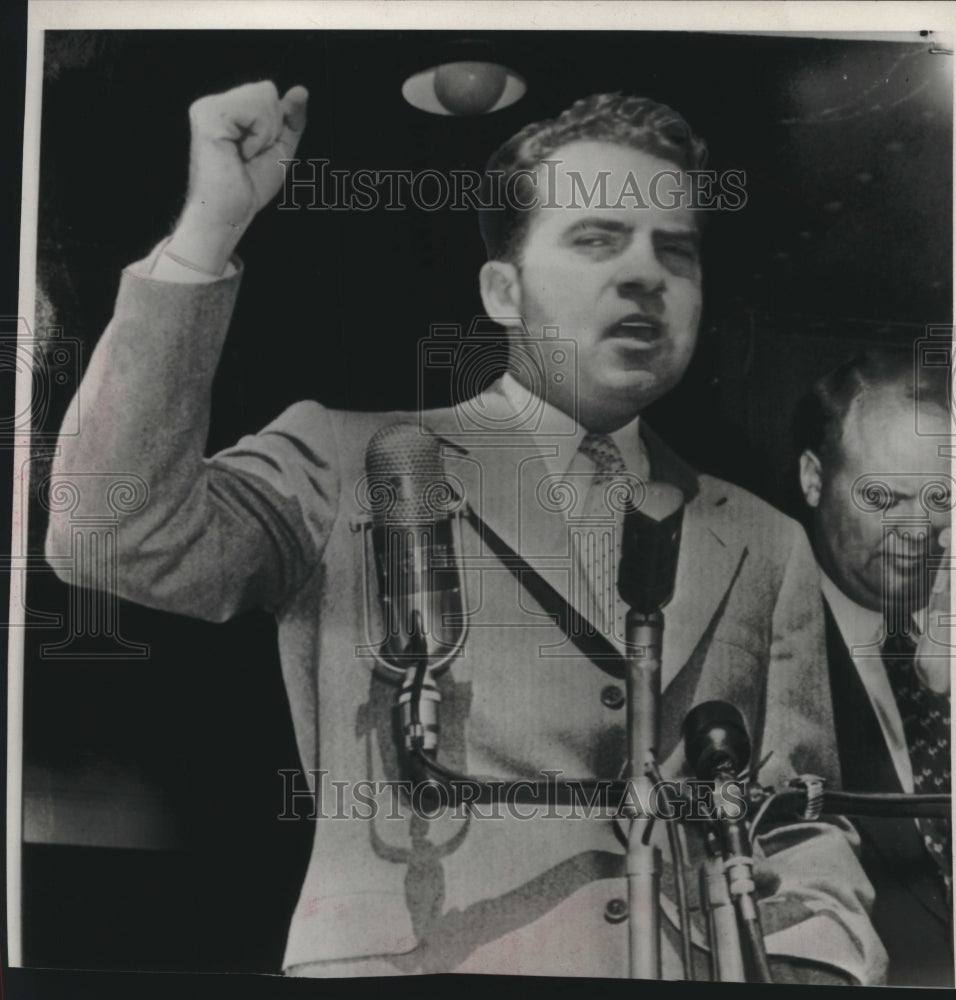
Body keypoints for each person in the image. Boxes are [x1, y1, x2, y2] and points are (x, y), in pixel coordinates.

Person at [44, 81, 885, 982]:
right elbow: (113, 530)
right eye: (598, 239)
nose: (647, 273)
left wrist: (819, 965)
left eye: (675, 251)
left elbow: (796, 817)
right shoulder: (351, 456)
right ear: (503, 291)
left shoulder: (763, 537)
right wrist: (207, 231)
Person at [794, 350, 953, 986]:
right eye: (884, 496)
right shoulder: (773, 646)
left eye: (942, 495)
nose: (920, 528)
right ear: (813, 478)